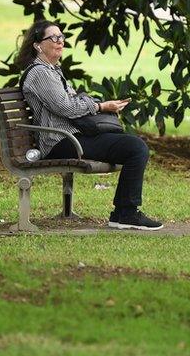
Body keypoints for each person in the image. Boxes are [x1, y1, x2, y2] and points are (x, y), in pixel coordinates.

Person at [18, 19, 163, 230]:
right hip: (59, 141)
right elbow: (66, 107)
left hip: (73, 136)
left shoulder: (53, 70)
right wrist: (100, 106)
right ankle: (126, 214)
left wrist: (89, 104)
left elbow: (72, 102)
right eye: (53, 38)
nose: (60, 41)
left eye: (61, 37)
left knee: (134, 145)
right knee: (135, 148)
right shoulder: (40, 73)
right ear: (38, 45)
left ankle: (123, 214)